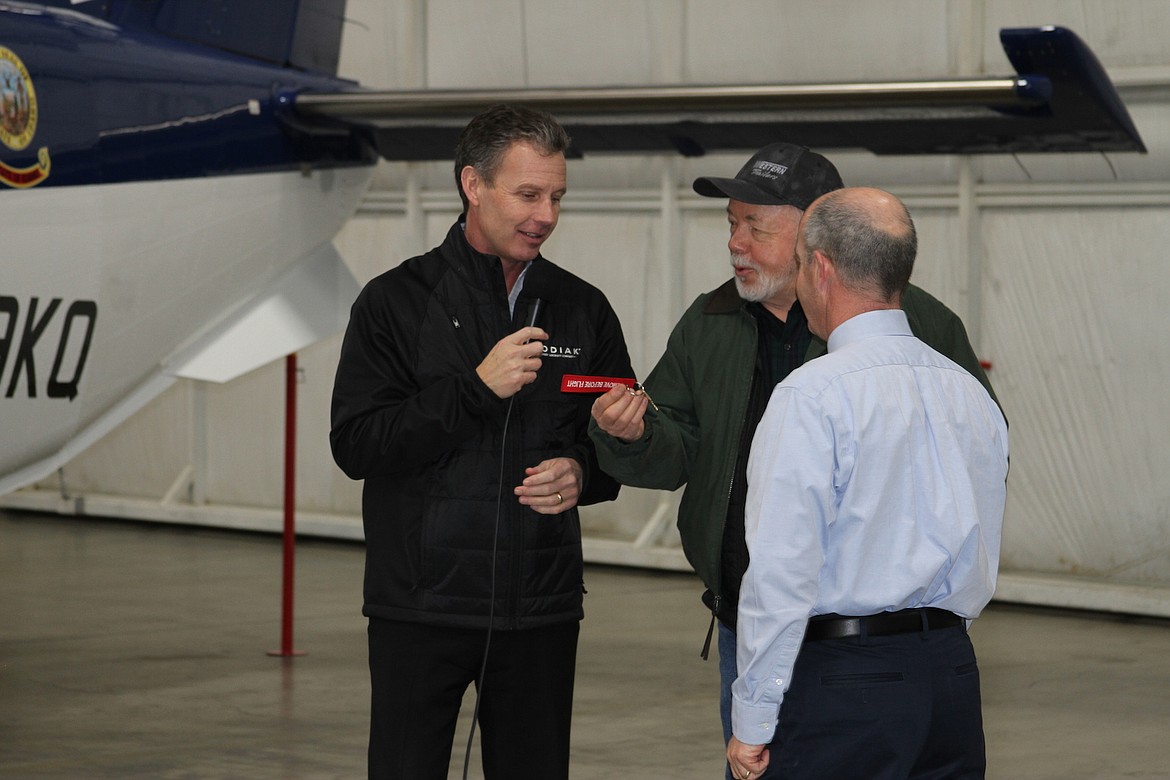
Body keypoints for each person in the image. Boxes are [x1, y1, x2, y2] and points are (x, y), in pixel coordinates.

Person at [589, 142, 999, 780]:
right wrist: (630, 436)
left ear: (817, 239)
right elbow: (677, 448)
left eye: (756, 226)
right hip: (763, 628)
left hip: (830, 645)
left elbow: (969, 471)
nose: (736, 243)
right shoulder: (709, 321)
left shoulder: (920, 329)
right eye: (731, 222)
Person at [330, 104, 634, 780]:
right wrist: (474, 388)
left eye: (556, 197)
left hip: (541, 612)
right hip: (420, 608)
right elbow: (356, 444)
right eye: (528, 194)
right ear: (474, 185)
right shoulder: (395, 303)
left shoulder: (582, 308)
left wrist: (586, 470)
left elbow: (616, 441)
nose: (546, 215)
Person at [726, 187, 1008, 779]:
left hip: (846, 683)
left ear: (821, 268)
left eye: (801, 264)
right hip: (952, 675)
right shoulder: (968, 392)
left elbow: (781, 573)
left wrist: (752, 719)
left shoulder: (811, 395)